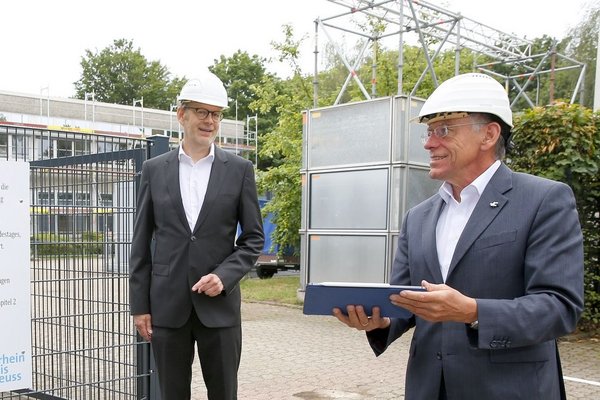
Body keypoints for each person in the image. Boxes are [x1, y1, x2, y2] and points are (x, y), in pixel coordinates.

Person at [333, 72, 584, 400]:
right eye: (428, 131)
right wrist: (377, 322)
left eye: (444, 130)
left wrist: (472, 311)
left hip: (510, 390)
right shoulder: (418, 217)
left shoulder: (543, 200)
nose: (428, 143)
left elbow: (560, 307)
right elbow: (406, 302)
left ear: (489, 134)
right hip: (429, 389)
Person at [129, 70, 264, 400]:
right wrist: (140, 306)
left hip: (219, 309)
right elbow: (141, 241)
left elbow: (254, 238)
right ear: (181, 115)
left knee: (223, 393)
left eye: (215, 114)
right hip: (167, 308)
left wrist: (224, 276)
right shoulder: (154, 170)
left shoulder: (239, 170)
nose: (209, 121)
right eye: (202, 111)